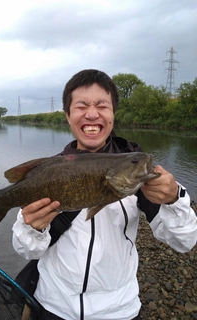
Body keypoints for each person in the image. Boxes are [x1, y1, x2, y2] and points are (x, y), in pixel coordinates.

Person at [12, 69, 197, 320]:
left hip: (119, 311)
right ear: (67, 115)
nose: (91, 113)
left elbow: (184, 241)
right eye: (81, 106)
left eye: (102, 105)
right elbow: (27, 251)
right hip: (54, 307)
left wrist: (174, 198)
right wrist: (31, 228)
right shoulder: (50, 171)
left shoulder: (137, 174)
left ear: (112, 114)